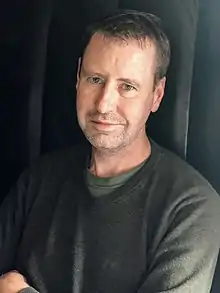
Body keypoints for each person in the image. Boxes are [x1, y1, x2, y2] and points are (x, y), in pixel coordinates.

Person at [0, 9, 220, 293]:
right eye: (95, 79)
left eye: (127, 87)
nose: (104, 104)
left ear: (156, 95)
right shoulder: (39, 179)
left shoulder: (192, 209)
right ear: (78, 77)